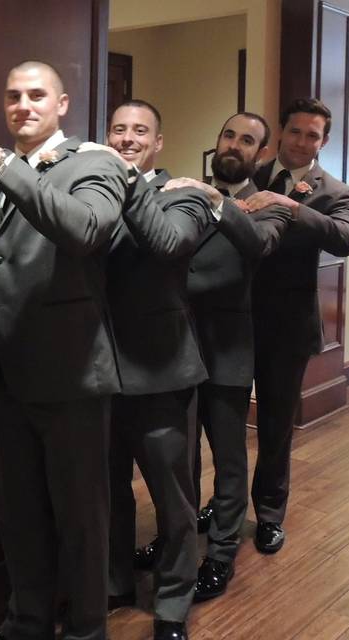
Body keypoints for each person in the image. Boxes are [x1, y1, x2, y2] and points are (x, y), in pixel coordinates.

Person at [0, 60, 127, 640]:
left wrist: (1, 163)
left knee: (81, 519)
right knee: (17, 516)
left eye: (36, 95)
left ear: (63, 103)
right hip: (0, 374)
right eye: (13, 95)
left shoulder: (95, 162)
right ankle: (27, 620)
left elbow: (85, 229)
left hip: (70, 374)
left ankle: (87, 628)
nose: (23, 105)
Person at [162, 112, 291, 601]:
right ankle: (174, 538)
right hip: (173, 344)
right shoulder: (180, 190)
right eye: (229, 135)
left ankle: (219, 555)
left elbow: (258, 246)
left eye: (248, 141)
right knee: (179, 456)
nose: (235, 145)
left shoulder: (267, 206)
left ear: (260, 154)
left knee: (230, 459)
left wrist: (219, 202)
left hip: (228, 349)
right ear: (217, 141)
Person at [104, 100, 210, 640]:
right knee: (108, 493)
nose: (127, 138)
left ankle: (172, 603)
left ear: (158, 142)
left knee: (173, 500)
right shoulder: (92, 190)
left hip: (163, 371)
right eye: (118, 130)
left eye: (139, 131)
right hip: (98, 372)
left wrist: (126, 180)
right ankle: (116, 580)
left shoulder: (185, 194)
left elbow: (167, 244)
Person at [248, 97, 349, 554]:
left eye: (313, 135)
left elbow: (346, 238)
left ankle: (270, 514)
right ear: (281, 132)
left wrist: (290, 207)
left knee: (274, 424)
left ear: (324, 141)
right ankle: (223, 502)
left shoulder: (334, 190)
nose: (302, 141)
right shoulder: (248, 173)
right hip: (231, 319)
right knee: (221, 420)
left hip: (287, 326)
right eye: (295, 131)